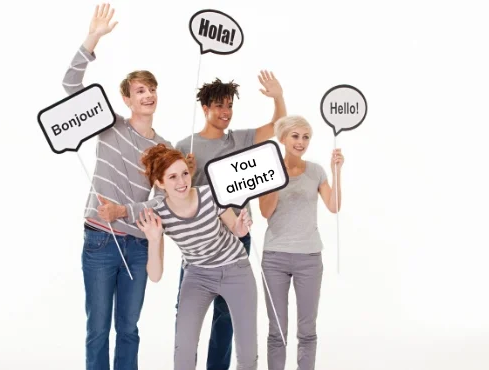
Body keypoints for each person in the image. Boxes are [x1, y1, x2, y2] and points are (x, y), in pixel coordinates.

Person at [61, 3, 185, 369]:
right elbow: (70, 85)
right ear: (127, 99)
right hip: (100, 239)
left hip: (137, 245)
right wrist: (93, 38)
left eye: (152, 89)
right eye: (140, 90)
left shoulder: (164, 149)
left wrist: (124, 212)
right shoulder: (109, 125)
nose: (148, 95)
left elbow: (163, 203)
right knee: (98, 329)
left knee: (128, 329)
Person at [173, 72, 286, 369]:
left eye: (229, 106)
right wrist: (186, 170)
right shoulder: (186, 146)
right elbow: (172, 193)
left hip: (236, 241)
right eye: (219, 106)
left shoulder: (240, 139)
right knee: (185, 315)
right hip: (199, 246)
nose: (225, 113)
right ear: (205, 108)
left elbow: (277, 126)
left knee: (226, 316)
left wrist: (278, 97)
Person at [135, 144, 259, 370]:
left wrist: (242, 228)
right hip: (198, 276)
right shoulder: (159, 214)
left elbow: (236, 229)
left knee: (248, 355)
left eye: (184, 173)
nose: (182, 182)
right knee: (183, 350)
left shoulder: (210, 194)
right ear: (160, 183)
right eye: (172, 177)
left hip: (235, 269)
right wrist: (153, 239)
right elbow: (154, 275)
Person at [257, 115, 344, 370]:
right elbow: (265, 212)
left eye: (306, 137)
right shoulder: (268, 170)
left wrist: (337, 171)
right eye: (295, 136)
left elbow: (334, 205)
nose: (301, 142)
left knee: (307, 330)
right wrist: (275, 177)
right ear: (283, 138)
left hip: (309, 258)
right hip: (275, 257)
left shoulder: (316, 171)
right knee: (277, 331)